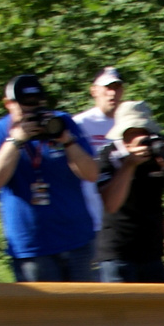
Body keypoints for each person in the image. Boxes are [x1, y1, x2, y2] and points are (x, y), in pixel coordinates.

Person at [0, 73, 100, 281]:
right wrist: (16, 140)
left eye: (36, 105)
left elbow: (91, 174)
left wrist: (67, 141)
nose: (32, 113)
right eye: (24, 107)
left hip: (76, 239)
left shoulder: (61, 122)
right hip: (32, 247)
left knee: (83, 311)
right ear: (8, 104)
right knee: (43, 313)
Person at [94, 101, 164, 282]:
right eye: (133, 132)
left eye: (144, 131)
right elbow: (111, 204)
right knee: (119, 311)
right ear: (122, 134)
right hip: (118, 254)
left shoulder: (159, 153)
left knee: (153, 311)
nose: (141, 137)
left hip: (152, 254)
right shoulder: (109, 155)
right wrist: (129, 165)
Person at [72, 66, 125, 233]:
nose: (112, 93)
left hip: (124, 219)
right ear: (94, 90)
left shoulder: (129, 123)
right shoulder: (79, 124)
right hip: (90, 219)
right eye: (107, 87)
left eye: (116, 87)